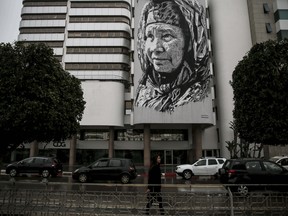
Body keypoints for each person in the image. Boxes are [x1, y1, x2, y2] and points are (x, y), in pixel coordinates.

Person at [135, 0, 211, 113]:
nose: (155, 48)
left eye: (166, 36)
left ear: (189, 42)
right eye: (150, 36)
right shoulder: (142, 93)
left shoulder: (200, 95)